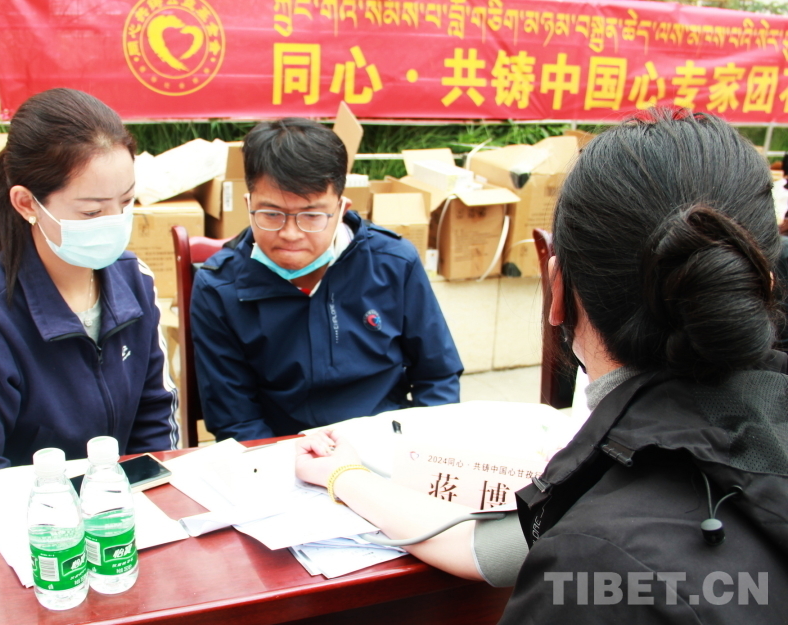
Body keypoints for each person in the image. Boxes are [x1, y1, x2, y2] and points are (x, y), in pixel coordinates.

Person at [297, 109, 788, 621]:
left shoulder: (590, 564)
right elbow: (489, 548)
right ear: (761, 284)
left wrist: (343, 472)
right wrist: (345, 474)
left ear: (558, 290)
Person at [0, 88, 179, 476]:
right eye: (92, 212)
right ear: (27, 204)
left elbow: (156, 421)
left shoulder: (135, 281)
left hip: (123, 503)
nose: (115, 222)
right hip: (27, 511)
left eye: (126, 202)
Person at [191, 118, 462, 441]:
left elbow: (438, 376)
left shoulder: (393, 262)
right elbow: (236, 420)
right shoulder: (219, 288)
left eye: (312, 215)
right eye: (271, 214)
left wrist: (420, 448)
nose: (291, 234)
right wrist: (285, 459)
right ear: (249, 204)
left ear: (342, 207)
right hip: (283, 451)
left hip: (386, 444)